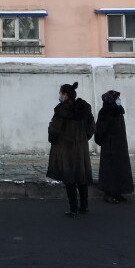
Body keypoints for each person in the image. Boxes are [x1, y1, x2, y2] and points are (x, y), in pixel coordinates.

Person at [47, 82, 95, 217]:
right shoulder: (84, 108)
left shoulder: (61, 110)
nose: (59, 96)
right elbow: (91, 127)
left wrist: (52, 136)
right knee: (82, 177)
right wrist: (83, 138)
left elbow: (54, 130)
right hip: (81, 149)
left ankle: (73, 209)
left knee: (69, 179)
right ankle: (84, 207)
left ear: (65, 94)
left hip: (66, 148)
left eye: (61, 93)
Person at [94, 90, 134, 204]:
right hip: (110, 146)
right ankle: (108, 193)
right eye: (117, 98)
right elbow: (100, 130)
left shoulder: (119, 111)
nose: (119, 100)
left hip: (120, 145)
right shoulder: (105, 112)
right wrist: (104, 142)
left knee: (120, 168)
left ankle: (118, 192)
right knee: (110, 170)